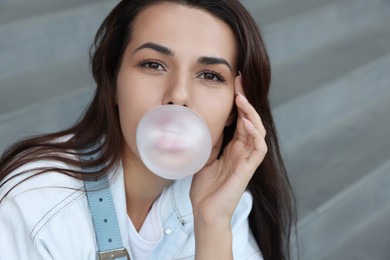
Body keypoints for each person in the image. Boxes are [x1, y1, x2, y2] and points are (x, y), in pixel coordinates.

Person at [0, 0, 296, 259]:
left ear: (236, 106)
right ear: (113, 81)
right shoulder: (36, 207)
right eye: (154, 65)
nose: (178, 95)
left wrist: (212, 224)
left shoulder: (223, 201)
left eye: (210, 75)